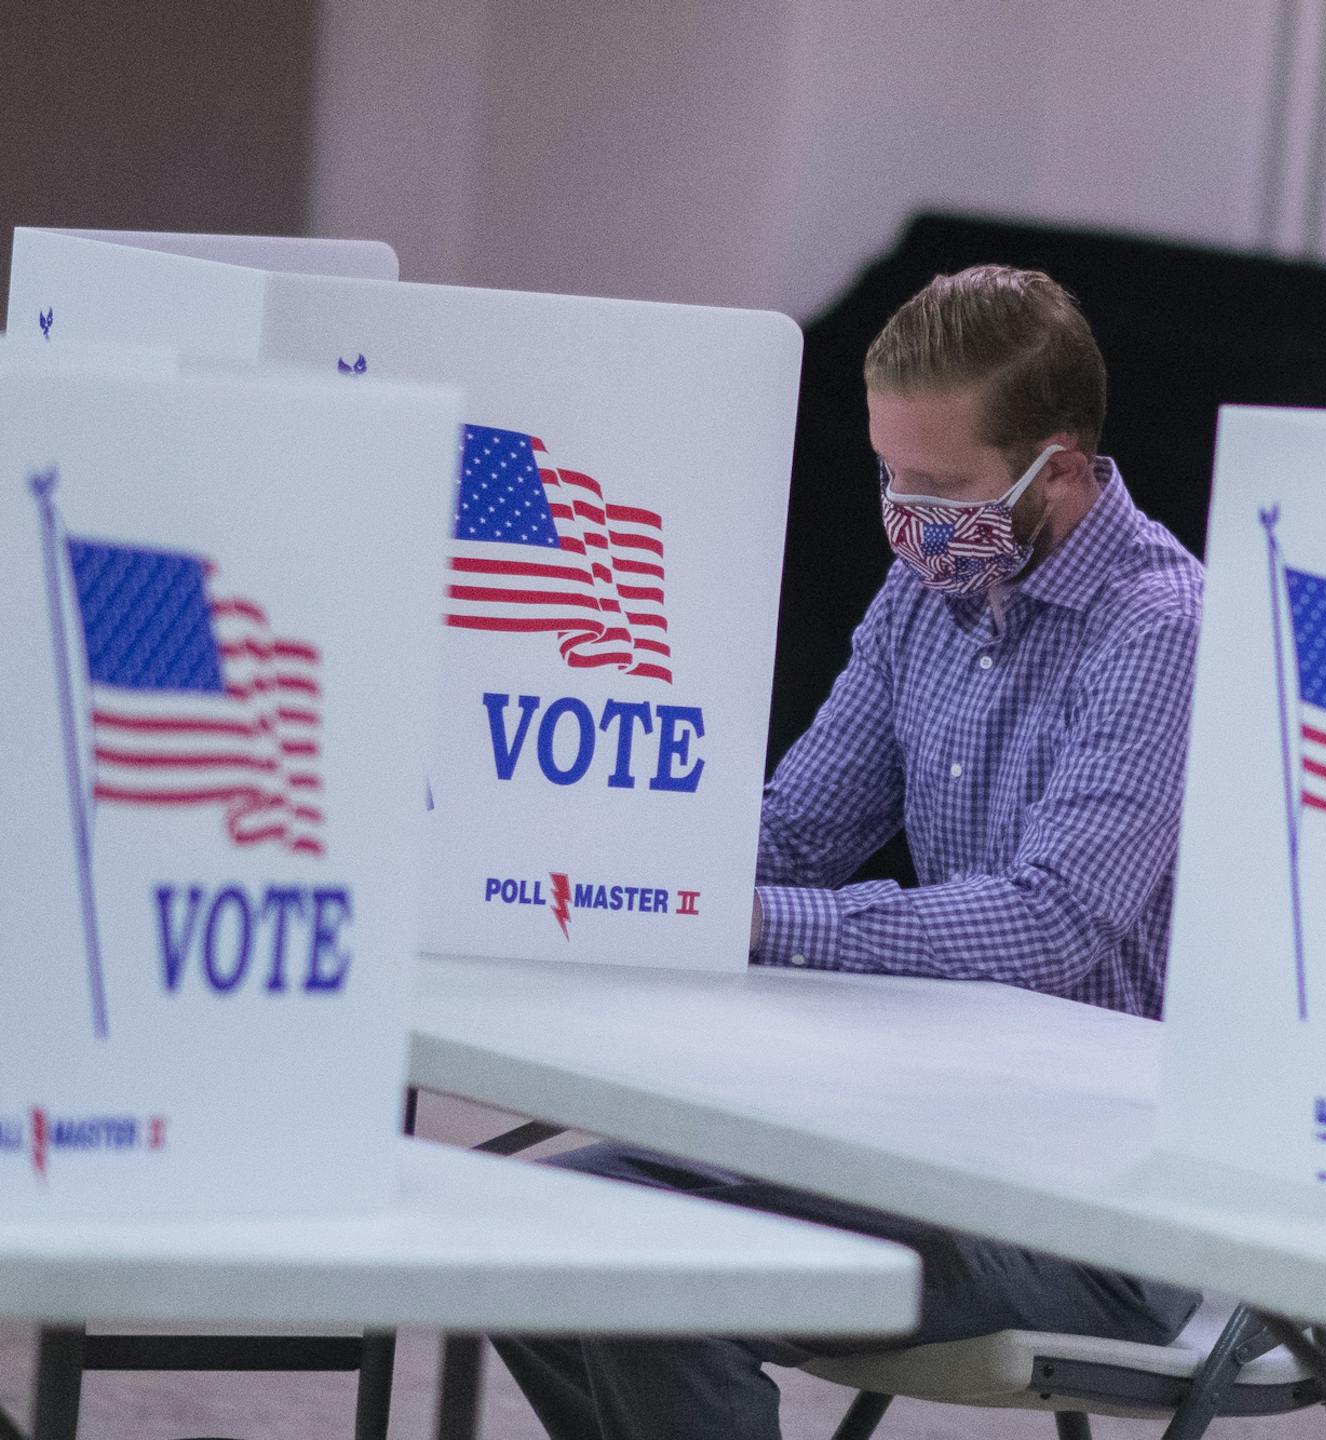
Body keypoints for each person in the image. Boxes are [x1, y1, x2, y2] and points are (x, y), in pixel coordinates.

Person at [494, 264, 1206, 1440]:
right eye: (891, 475)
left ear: (1063, 469)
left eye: (941, 485)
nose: (908, 517)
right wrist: (618, 866)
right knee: (533, 1230)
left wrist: (756, 919)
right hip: (925, 1136)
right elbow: (794, 834)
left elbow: (1052, 923)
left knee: (657, 1277)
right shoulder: (928, 593)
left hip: (1101, 1205)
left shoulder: (1163, 629)